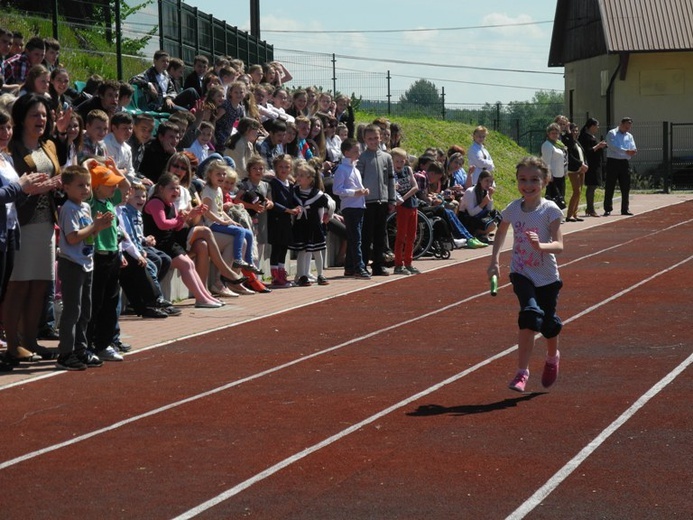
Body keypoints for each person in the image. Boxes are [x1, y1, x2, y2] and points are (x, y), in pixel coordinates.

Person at [488, 156, 564, 393]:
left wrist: (541, 246)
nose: (527, 184)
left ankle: (552, 357)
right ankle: (522, 372)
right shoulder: (512, 208)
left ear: (545, 181)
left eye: (534, 180)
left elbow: (559, 245)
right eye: (522, 179)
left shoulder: (550, 210)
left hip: (547, 275)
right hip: (521, 271)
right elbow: (500, 234)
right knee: (530, 316)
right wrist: (494, 260)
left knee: (549, 325)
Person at [4, 94, 64, 365]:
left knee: (40, 284)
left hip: (45, 223)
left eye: (43, 115)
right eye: (34, 115)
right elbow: (14, 189)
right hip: (22, 222)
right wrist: (36, 189)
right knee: (18, 285)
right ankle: (13, 344)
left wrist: (59, 182)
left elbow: (53, 177)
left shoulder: (48, 145)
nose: (41, 120)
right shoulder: (12, 149)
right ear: (21, 119)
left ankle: (30, 340)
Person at [0, 107, 50, 371]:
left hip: (8, 233)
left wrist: (33, 189)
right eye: (0, 128)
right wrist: (20, 186)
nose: (5, 133)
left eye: (7, 127)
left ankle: (12, 348)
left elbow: (13, 196)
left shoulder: (6, 159)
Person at [142, 173, 232, 308]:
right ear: (161, 188)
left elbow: (177, 227)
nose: (176, 191)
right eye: (172, 188)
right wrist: (179, 219)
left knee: (189, 264)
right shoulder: (156, 202)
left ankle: (205, 296)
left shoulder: (171, 204)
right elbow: (162, 224)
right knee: (185, 264)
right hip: (159, 244)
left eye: (177, 188)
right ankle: (201, 298)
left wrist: (190, 215)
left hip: (169, 242)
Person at [56, 165, 114, 370]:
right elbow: (72, 238)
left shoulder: (86, 208)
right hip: (72, 263)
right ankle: (66, 352)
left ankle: (81, 349)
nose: (85, 189)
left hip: (86, 262)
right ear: (66, 187)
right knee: (73, 310)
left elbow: (88, 236)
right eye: (80, 185)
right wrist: (95, 227)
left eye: (87, 184)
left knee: (85, 310)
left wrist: (99, 228)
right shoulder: (68, 208)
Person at [85, 159, 131, 362]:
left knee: (111, 302)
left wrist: (112, 169)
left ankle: (104, 343)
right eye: (108, 184)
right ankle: (87, 343)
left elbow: (126, 186)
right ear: (96, 186)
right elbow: (85, 185)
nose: (114, 187)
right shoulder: (92, 202)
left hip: (112, 255)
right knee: (95, 302)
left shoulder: (110, 201)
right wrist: (88, 166)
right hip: (98, 255)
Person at [201, 159, 257, 272]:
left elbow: (220, 210)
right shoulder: (208, 191)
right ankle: (238, 259)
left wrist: (232, 221)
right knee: (240, 232)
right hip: (212, 224)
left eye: (223, 174)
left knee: (248, 232)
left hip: (219, 222)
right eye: (218, 174)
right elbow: (206, 212)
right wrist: (222, 222)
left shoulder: (219, 190)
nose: (222, 176)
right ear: (210, 175)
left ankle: (250, 262)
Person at [357, 124, 395, 276]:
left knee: (380, 235)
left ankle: (378, 265)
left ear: (380, 138)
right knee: (366, 235)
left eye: (376, 138)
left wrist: (391, 199)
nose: (373, 141)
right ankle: (363, 264)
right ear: (365, 140)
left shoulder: (387, 157)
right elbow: (359, 179)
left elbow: (390, 179)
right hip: (368, 202)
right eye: (370, 139)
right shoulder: (362, 157)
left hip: (383, 200)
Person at [332, 138, 370, 279]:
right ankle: (358, 267)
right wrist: (355, 193)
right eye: (355, 151)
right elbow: (337, 189)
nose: (358, 153)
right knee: (356, 239)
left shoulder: (354, 168)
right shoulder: (342, 169)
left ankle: (349, 267)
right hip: (350, 207)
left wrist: (362, 191)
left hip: (358, 206)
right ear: (346, 152)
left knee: (354, 237)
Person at [289, 158, 330, 286]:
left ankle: (320, 274)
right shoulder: (295, 192)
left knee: (317, 251)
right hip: (301, 225)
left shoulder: (317, 194)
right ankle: (302, 275)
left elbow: (321, 210)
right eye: (298, 175)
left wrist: (320, 223)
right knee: (302, 251)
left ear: (310, 178)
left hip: (314, 226)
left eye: (302, 175)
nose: (298, 177)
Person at [129, 50, 199, 112]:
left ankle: (202, 111)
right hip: (158, 105)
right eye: (163, 61)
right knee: (186, 112)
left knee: (191, 91)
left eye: (167, 61)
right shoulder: (148, 74)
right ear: (155, 61)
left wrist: (168, 98)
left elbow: (171, 90)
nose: (166, 63)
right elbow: (133, 80)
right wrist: (148, 85)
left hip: (168, 102)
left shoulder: (165, 74)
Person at [267, 154, 299, 287]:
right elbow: (272, 203)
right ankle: (275, 276)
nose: (284, 169)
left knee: (284, 247)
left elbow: (292, 201)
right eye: (281, 167)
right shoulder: (273, 184)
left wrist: (296, 207)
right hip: (276, 219)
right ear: (275, 168)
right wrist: (288, 210)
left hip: (286, 221)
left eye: (287, 167)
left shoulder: (290, 185)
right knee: (276, 248)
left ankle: (281, 273)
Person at [390, 147, 420, 275]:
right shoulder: (392, 173)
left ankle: (408, 262)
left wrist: (404, 197)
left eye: (402, 161)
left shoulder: (408, 170)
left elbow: (415, 187)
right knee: (401, 236)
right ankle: (398, 264)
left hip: (411, 205)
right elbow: (392, 188)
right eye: (397, 161)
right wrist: (399, 199)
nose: (400, 164)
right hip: (401, 208)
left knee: (412, 236)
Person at [604, 117, 637, 216]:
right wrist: (626, 151)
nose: (627, 129)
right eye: (626, 126)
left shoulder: (629, 136)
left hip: (624, 163)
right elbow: (613, 146)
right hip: (613, 162)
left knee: (626, 186)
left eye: (629, 127)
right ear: (621, 124)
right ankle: (608, 208)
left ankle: (625, 209)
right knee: (610, 185)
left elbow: (633, 147)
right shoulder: (612, 133)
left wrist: (632, 151)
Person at [460, 170, 501, 241]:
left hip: (478, 216)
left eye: (491, 182)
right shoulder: (470, 192)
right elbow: (471, 213)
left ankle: (497, 234)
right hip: (467, 219)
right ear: (480, 180)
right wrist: (483, 203)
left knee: (495, 216)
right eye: (486, 181)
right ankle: (475, 233)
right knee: (491, 225)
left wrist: (490, 196)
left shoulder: (485, 192)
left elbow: (489, 210)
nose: (489, 184)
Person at [578, 118, 607, 217]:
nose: (598, 128)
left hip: (596, 164)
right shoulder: (585, 137)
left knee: (593, 186)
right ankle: (590, 209)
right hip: (590, 165)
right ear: (591, 126)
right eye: (596, 126)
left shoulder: (592, 136)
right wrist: (598, 146)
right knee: (591, 186)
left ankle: (589, 208)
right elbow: (587, 151)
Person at [565, 123, 588, 222]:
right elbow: (570, 156)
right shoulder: (568, 142)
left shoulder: (577, 142)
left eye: (576, 130)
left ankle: (575, 214)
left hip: (581, 169)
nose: (576, 132)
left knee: (579, 192)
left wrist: (585, 164)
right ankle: (569, 214)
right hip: (574, 169)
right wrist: (580, 164)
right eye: (573, 130)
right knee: (576, 191)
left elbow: (582, 154)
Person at [541, 122, 567, 209]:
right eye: (553, 133)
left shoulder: (559, 144)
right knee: (552, 196)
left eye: (557, 133)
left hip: (561, 174)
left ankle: (559, 213)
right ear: (548, 134)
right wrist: (549, 175)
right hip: (553, 175)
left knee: (561, 195)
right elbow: (546, 162)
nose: (555, 135)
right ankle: (551, 215)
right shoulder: (547, 145)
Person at [104, 111, 136, 182]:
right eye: (124, 128)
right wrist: (122, 172)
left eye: (130, 128)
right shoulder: (105, 144)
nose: (128, 132)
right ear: (114, 128)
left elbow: (130, 171)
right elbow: (107, 170)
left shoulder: (127, 149)